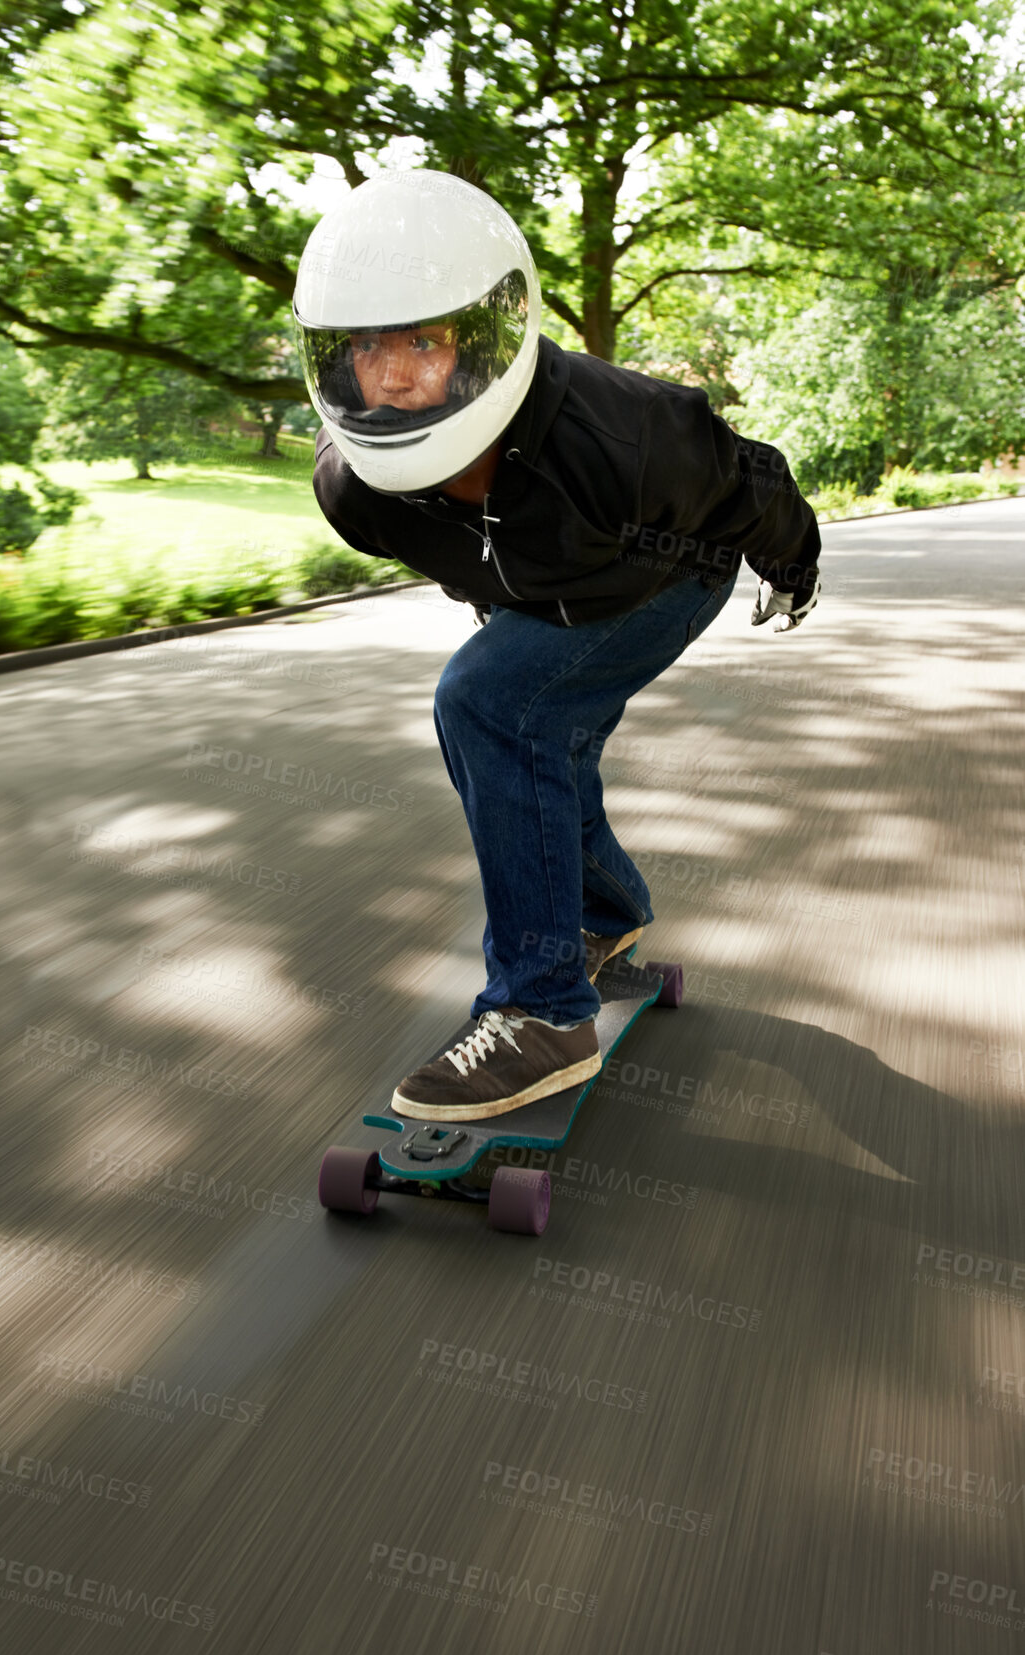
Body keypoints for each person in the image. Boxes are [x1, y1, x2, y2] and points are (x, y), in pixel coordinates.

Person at [291, 169, 821, 1124]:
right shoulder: (355, 492)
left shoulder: (621, 433)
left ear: (485, 339)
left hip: (671, 576)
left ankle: (541, 1012)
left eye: (424, 339)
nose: (395, 373)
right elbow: (475, 551)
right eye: (366, 347)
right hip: (548, 595)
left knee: (488, 704)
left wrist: (792, 565)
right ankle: (606, 918)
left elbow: (753, 480)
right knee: (536, 737)